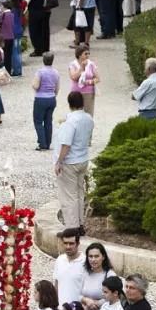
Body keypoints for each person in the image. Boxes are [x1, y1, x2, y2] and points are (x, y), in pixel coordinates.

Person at [53, 91, 93, 231]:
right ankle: (80, 223)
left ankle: (72, 227)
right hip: (83, 159)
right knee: (79, 193)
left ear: (69, 104)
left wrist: (59, 161)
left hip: (70, 162)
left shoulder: (70, 122)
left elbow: (66, 145)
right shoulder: (88, 118)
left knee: (69, 196)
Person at [31, 52, 59, 151]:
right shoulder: (56, 72)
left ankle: (42, 143)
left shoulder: (40, 72)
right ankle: (48, 143)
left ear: (43, 60)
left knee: (38, 121)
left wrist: (32, 84)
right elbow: (57, 88)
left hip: (40, 98)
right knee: (48, 122)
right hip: (51, 98)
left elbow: (36, 86)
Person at [52, 226, 87, 304]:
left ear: (78, 244)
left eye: (71, 244)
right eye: (65, 243)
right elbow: (57, 284)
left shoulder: (85, 262)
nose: (68, 247)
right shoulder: (59, 260)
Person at [68, 44, 99, 115]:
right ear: (79, 55)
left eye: (88, 53)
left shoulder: (91, 64)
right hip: (76, 92)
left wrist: (90, 81)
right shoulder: (72, 64)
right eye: (85, 54)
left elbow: (98, 78)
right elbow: (73, 77)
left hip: (88, 92)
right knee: (75, 114)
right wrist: (81, 68)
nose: (87, 55)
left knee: (88, 113)